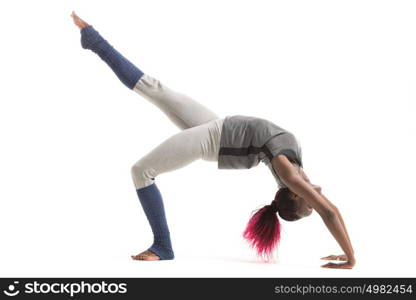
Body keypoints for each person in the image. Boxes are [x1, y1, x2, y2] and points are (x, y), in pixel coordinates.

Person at [70, 11, 355, 269]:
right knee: (153, 88)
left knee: (140, 171)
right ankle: (93, 39)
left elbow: (328, 212)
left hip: (214, 141)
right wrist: (348, 253)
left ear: (296, 194)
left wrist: (350, 258)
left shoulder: (290, 175)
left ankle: (163, 246)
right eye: (312, 206)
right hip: (219, 126)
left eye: (309, 204)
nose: (317, 197)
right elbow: (330, 210)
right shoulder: (296, 173)